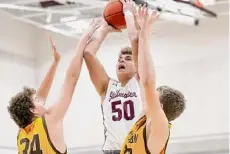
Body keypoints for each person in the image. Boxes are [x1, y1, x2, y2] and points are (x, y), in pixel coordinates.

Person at [7, 20, 101, 154]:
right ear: (33, 110)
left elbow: (40, 95)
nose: (41, 99)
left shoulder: (21, 135)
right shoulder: (50, 120)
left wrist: (55, 63)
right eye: (37, 100)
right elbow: (71, 78)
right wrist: (84, 37)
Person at [120, 4, 186, 154]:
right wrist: (130, 15)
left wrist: (146, 35)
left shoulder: (160, 128)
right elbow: (141, 74)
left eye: (154, 96)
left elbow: (148, 82)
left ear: (160, 108)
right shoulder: (145, 118)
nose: (149, 96)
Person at [83, 2, 146, 153]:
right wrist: (104, 29)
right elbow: (88, 54)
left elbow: (136, 40)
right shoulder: (107, 87)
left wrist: (129, 14)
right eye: (120, 58)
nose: (122, 60)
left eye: (128, 58)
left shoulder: (140, 80)